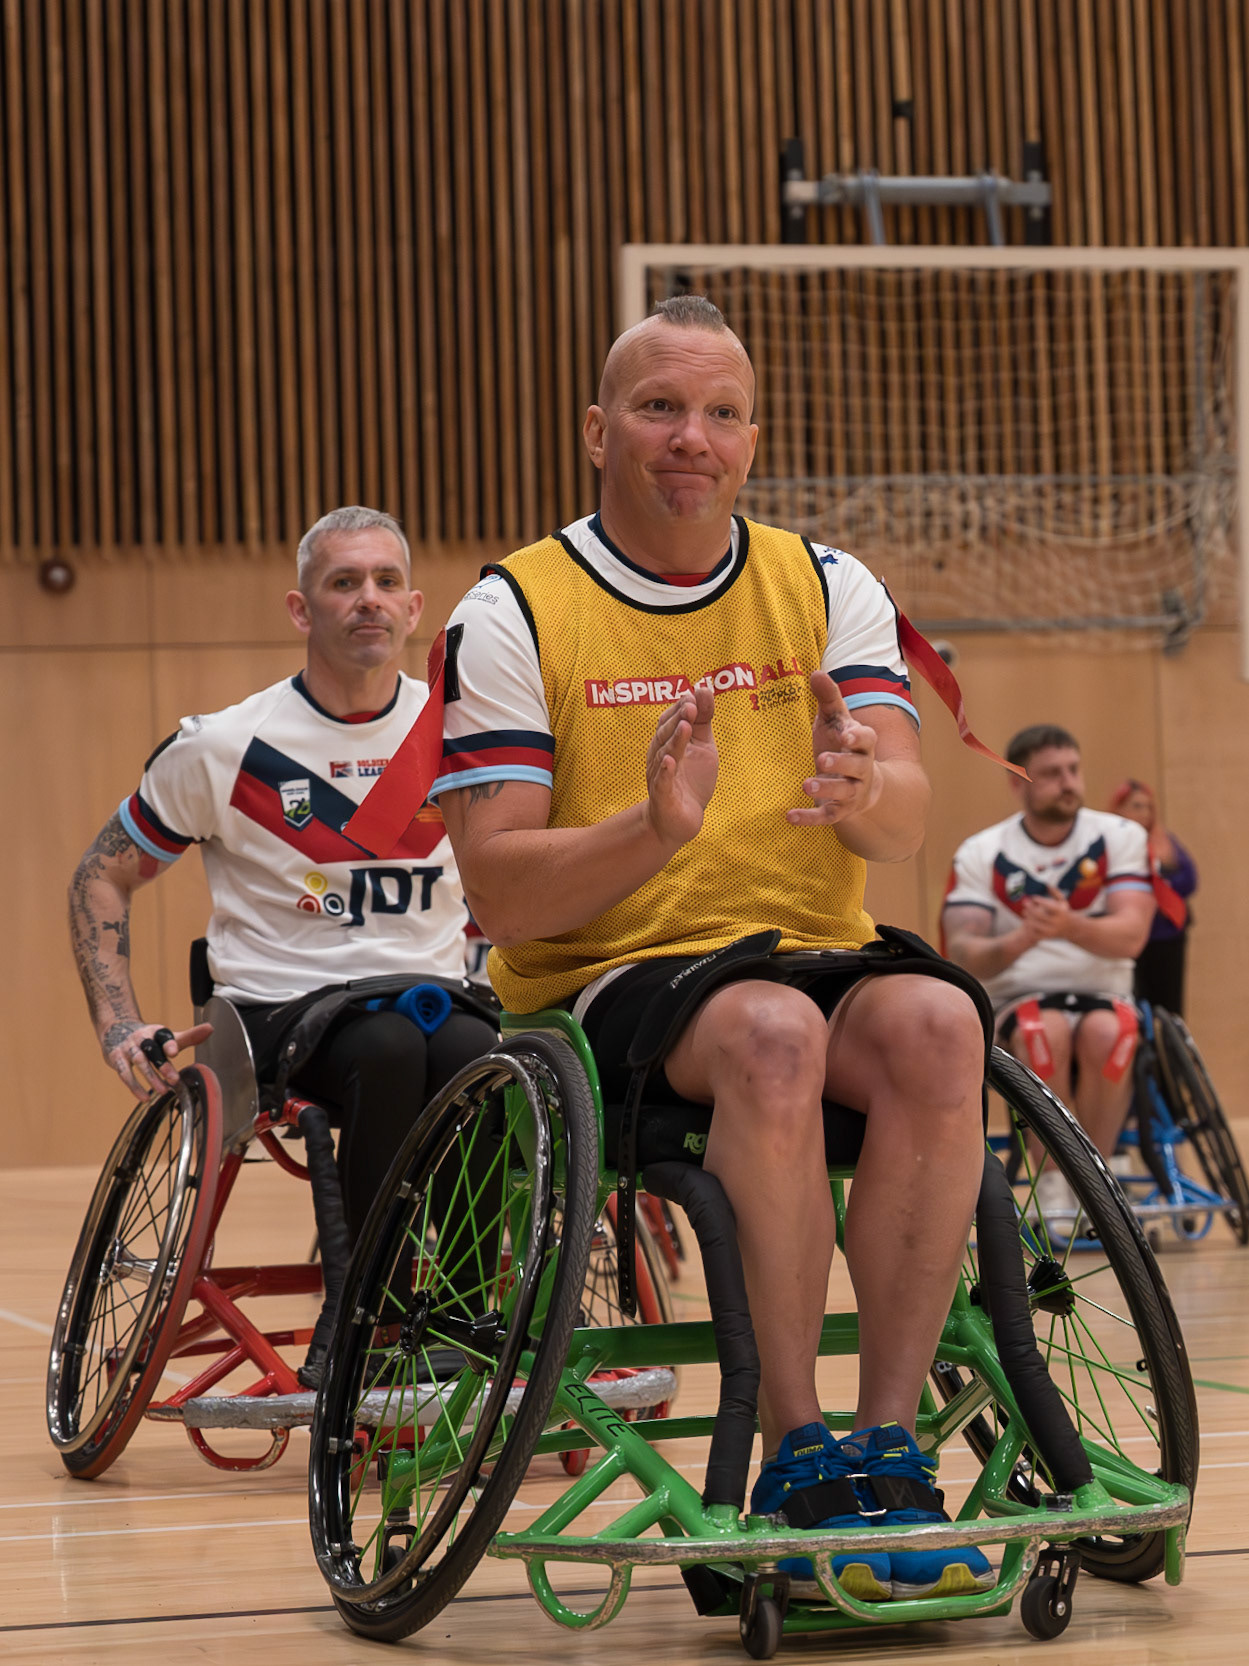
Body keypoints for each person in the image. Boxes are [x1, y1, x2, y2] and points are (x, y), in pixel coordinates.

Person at [415, 297, 994, 1602]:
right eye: (661, 407)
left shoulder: (827, 583)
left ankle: (885, 1447)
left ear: (752, 437)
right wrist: (648, 828)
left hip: (806, 943)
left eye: (722, 413)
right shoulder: (513, 610)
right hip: (605, 979)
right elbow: (502, 896)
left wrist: (866, 790)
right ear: (596, 429)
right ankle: (794, 1448)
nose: (693, 437)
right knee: (772, 1034)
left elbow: (904, 812)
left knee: (942, 1023)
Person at [67, 506, 497, 1282]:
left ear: (413, 608)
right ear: (302, 608)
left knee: (486, 1057)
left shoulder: (459, 736)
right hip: (282, 1014)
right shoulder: (223, 746)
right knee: (388, 1049)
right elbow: (102, 873)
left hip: (435, 997)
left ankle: (467, 1320)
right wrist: (118, 1024)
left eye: (385, 581)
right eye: (343, 582)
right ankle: (374, 1312)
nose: (368, 597)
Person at [942, 725, 1155, 1215]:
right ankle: (1056, 1182)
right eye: (1052, 774)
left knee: (1113, 1032)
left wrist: (1067, 925)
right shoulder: (981, 852)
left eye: (1073, 770)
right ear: (1019, 783)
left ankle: (1098, 1181)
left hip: (1104, 992)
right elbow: (963, 950)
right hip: (1020, 998)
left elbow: (1132, 934)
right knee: (1044, 1030)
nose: (1068, 783)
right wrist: (1022, 939)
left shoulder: (1120, 836)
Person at [1108, 779, 1197, 1017]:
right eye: (1136, 806)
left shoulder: (1164, 841)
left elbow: (1189, 879)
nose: (1144, 813)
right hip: (1130, 937)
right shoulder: (1111, 841)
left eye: (1148, 807)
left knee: (1169, 1007)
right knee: (1135, 1004)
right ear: (1120, 808)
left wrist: (1159, 889)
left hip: (1167, 934)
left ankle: (1168, 1050)